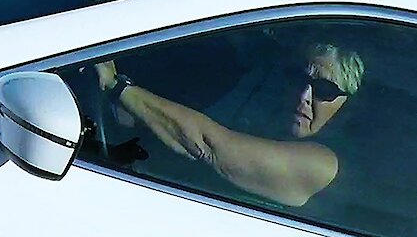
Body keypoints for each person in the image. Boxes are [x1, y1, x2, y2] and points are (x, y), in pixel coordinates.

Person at [94, 42, 364, 207]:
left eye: (324, 90)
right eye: (296, 79)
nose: (304, 96)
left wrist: (117, 87)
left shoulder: (323, 164)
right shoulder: (266, 123)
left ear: (348, 107)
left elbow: (208, 145)